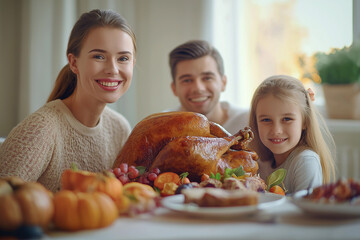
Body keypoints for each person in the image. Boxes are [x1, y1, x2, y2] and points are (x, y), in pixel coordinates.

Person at [0, 9, 136, 192]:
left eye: (123, 58)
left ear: (132, 64)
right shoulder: (41, 129)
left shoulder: (120, 128)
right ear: (73, 63)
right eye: (99, 56)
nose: (113, 69)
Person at [248, 75, 335, 194]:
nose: (276, 130)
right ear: (255, 123)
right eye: (266, 120)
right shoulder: (259, 164)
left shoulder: (305, 161)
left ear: (304, 121)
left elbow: (305, 211)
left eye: (287, 119)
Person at [168, 40, 248, 134]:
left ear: (223, 82)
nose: (198, 88)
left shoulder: (250, 121)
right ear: (174, 88)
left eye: (207, 78)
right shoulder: (161, 128)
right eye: (187, 80)